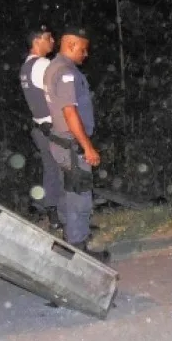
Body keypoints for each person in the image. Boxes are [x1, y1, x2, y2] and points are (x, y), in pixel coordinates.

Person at [43, 26, 109, 263]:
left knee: (68, 194)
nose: (86, 54)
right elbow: (70, 112)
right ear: (70, 45)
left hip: (61, 141)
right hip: (72, 144)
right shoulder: (65, 72)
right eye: (83, 49)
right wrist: (87, 146)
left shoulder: (53, 68)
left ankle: (69, 244)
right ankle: (80, 252)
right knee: (79, 197)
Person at [19, 25, 63, 229]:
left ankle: (55, 218)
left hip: (40, 128)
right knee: (65, 172)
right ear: (37, 41)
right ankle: (69, 221)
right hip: (53, 127)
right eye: (48, 37)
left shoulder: (26, 67)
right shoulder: (43, 64)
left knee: (52, 171)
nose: (53, 40)